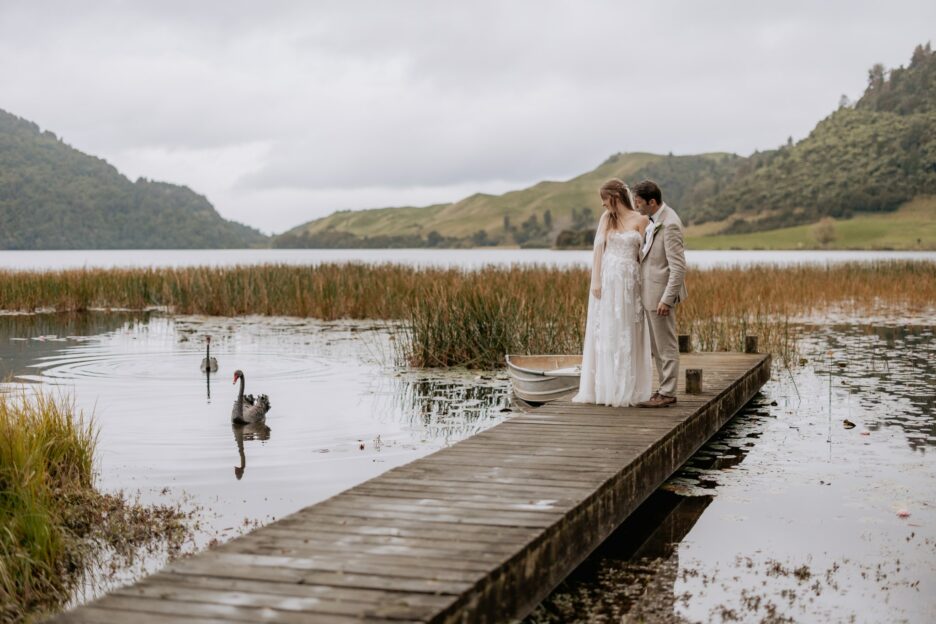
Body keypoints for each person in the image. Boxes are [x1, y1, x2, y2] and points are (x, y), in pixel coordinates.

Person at [573, 179, 653, 407]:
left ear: (615, 198)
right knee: (608, 331)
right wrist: (596, 280)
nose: (602, 205)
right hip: (608, 281)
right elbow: (599, 250)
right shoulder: (606, 219)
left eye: (604, 200)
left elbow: (644, 256)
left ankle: (629, 388)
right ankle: (606, 388)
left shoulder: (641, 220)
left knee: (628, 331)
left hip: (630, 284)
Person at [632, 180, 688, 408]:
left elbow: (678, 267)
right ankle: (663, 389)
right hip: (650, 292)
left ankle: (668, 393)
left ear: (651, 202)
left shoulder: (670, 224)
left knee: (666, 346)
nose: (636, 207)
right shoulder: (655, 220)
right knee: (657, 347)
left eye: (638, 203)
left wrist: (666, 298)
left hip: (660, 296)